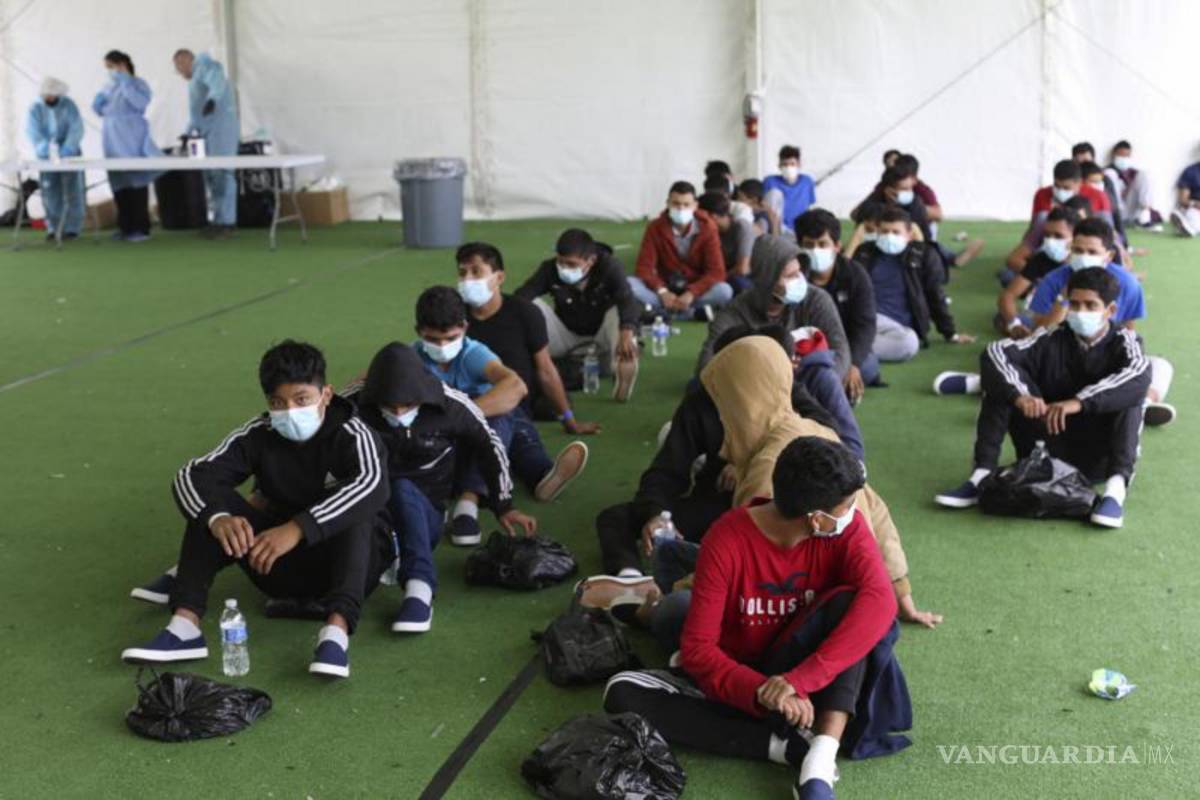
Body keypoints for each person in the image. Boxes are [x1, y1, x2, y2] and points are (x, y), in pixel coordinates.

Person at [604, 435, 909, 800]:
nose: (852, 513)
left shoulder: (848, 528)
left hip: (803, 673)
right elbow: (700, 651)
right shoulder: (727, 539)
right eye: (845, 507)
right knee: (622, 689)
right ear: (817, 519)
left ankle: (819, 763)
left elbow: (880, 601)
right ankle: (788, 748)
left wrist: (800, 680)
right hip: (747, 675)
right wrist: (765, 693)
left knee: (853, 607)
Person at [121, 341, 391, 679]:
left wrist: (297, 528)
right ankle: (184, 627)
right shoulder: (259, 434)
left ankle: (335, 636)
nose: (290, 411)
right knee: (213, 508)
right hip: (276, 566)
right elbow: (192, 475)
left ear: (326, 394)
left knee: (358, 510)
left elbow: (373, 484)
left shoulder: (352, 432)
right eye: (278, 403)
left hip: (352, 568)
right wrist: (217, 519)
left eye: (302, 399)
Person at [935, 269, 1150, 529]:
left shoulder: (1126, 342)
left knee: (1130, 397)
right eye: (1075, 304)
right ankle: (980, 477)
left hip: (1097, 460)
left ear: (1111, 310)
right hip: (1043, 451)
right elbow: (995, 352)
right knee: (1001, 388)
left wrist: (1079, 402)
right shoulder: (1050, 338)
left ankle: (1115, 494)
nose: (1081, 312)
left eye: (1091, 305)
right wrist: (1021, 396)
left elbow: (1137, 374)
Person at [345, 342, 535, 633]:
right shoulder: (352, 404)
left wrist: (504, 504)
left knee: (402, 488)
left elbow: (489, 445)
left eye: (407, 405)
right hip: (371, 510)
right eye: (389, 406)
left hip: (427, 508)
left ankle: (419, 591)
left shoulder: (451, 405)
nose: (398, 412)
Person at [414, 286, 588, 545]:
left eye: (450, 338)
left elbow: (516, 385)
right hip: (444, 443)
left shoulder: (473, 353)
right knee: (504, 425)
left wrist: (463, 416)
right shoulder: (409, 357)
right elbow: (365, 384)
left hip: (482, 429)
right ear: (419, 332)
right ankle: (537, 477)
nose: (442, 346)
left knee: (504, 421)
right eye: (433, 340)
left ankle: (471, 501)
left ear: (463, 327)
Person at [697, 236, 860, 444]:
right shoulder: (734, 313)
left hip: (806, 384)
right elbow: (706, 365)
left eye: (799, 272)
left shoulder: (816, 300)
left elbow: (840, 349)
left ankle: (852, 455)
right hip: (757, 393)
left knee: (829, 376)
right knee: (698, 390)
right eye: (790, 276)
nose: (799, 279)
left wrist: (821, 388)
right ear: (768, 280)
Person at [515, 229, 640, 403]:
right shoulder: (549, 269)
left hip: (602, 341)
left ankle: (621, 365)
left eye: (571, 264)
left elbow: (627, 300)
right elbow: (522, 295)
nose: (564, 269)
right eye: (560, 262)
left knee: (620, 315)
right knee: (529, 306)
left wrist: (627, 330)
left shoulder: (610, 267)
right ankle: (526, 364)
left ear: (591, 260)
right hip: (565, 340)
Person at [852, 206, 973, 363]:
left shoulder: (924, 255)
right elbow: (849, 285)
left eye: (896, 232)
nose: (889, 236)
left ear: (909, 235)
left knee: (908, 343)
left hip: (901, 329)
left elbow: (934, 294)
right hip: (867, 319)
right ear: (876, 233)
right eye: (884, 232)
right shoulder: (864, 253)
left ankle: (853, 348)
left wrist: (950, 332)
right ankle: (857, 347)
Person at [795, 209, 880, 400]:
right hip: (803, 349)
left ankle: (821, 385)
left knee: (868, 365)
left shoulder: (855, 275)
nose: (816, 250)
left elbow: (865, 325)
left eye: (822, 244)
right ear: (799, 247)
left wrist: (853, 364)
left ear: (837, 246)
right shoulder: (793, 276)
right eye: (809, 245)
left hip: (845, 348)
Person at [630, 181, 732, 319]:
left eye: (686, 204)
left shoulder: (708, 228)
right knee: (629, 284)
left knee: (724, 291)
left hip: (695, 289)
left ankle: (664, 312)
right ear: (668, 203)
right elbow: (644, 268)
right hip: (664, 287)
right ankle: (691, 313)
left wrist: (692, 293)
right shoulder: (655, 227)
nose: (681, 209)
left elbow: (716, 272)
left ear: (695, 205)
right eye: (676, 204)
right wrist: (662, 291)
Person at [92, 50, 161, 241]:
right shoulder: (109, 86)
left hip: (131, 134)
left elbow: (139, 103)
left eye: (111, 67)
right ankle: (125, 226)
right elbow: (101, 109)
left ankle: (141, 227)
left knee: (135, 179)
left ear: (122, 64)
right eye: (107, 68)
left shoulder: (138, 84)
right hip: (111, 135)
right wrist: (98, 103)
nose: (109, 72)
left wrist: (125, 81)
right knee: (118, 181)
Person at [173, 49, 239, 238]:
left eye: (179, 67)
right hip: (206, 132)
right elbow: (196, 113)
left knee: (223, 174)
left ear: (184, 61)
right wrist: (188, 133)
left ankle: (227, 222)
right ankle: (218, 221)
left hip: (220, 130)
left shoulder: (206, 66)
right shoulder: (195, 81)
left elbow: (216, 82)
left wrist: (213, 99)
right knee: (211, 176)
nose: (179, 72)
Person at [992, 206, 1076, 340]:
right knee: (1003, 318)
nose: (1050, 240)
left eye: (1058, 236)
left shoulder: (1084, 262)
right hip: (1043, 317)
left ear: (1075, 237)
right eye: (1047, 235)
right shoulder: (1041, 259)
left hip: (1075, 316)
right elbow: (1008, 295)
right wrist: (1014, 325)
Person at [26, 77, 85, 241]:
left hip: (70, 154)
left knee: (73, 190)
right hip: (46, 157)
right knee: (50, 192)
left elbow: (76, 128)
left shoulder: (69, 105)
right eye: (47, 95)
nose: (49, 98)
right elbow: (33, 133)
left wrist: (68, 148)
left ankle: (73, 228)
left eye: (53, 95)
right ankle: (53, 228)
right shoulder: (35, 109)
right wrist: (46, 149)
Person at [698, 192, 757, 294]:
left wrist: (715, 277)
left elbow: (743, 269)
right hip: (723, 274)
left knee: (737, 284)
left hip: (747, 278)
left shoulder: (741, 227)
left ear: (713, 216)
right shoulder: (710, 231)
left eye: (700, 218)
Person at [1105, 141, 1161, 231]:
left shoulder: (1133, 173)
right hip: (1115, 210)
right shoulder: (1106, 171)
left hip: (1130, 209)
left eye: (1127, 156)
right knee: (1110, 173)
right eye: (1121, 156)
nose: (1124, 159)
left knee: (1145, 174)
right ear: (1114, 155)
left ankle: (1144, 219)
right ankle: (1117, 219)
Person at [762, 145, 816, 233]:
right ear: (779, 165)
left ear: (799, 165)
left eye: (792, 164)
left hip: (799, 228)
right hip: (776, 228)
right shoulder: (769, 182)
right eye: (785, 164)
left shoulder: (807, 182)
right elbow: (764, 207)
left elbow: (809, 207)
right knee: (774, 193)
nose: (788, 168)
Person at [1170, 158, 1200, 236]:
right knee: (1193, 215)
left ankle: (1187, 227)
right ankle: (1187, 228)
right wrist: (1195, 203)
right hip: (1196, 209)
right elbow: (1183, 200)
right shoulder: (1191, 171)